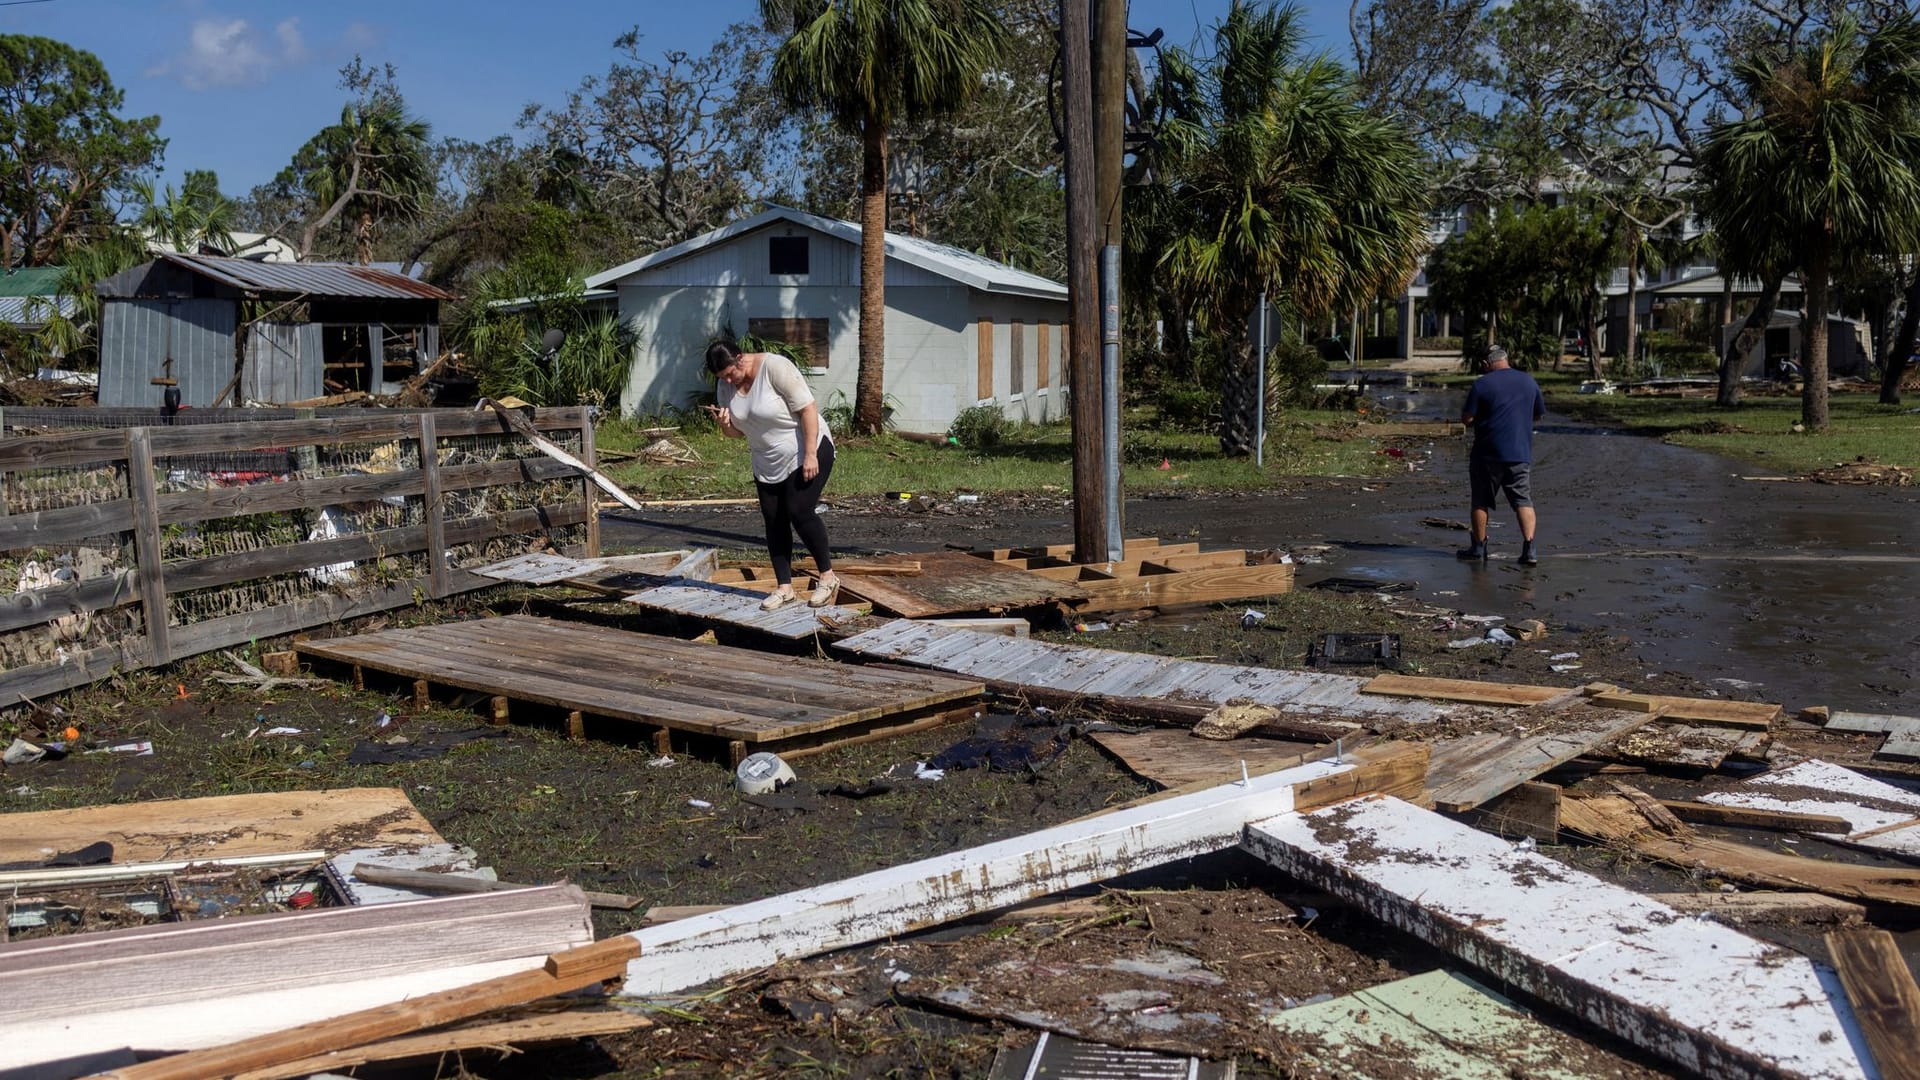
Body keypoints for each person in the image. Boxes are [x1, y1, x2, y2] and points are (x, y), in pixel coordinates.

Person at [703, 339, 841, 609]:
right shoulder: (725, 385)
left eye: (730, 373)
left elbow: (807, 409)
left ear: (740, 358)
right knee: (774, 519)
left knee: (799, 511)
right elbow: (736, 432)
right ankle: (784, 588)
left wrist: (811, 454)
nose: (728, 381)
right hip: (767, 460)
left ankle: (828, 577)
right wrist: (723, 425)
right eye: (722, 377)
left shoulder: (775, 368)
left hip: (805, 448)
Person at [1458, 345, 1545, 565]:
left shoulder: (1482, 384)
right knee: (1522, 499)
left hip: (1487, 454)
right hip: (1519, 453)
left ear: (1487, 364)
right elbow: (1538, 416)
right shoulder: (1529, 382)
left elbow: (1467, 419)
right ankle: (1529, 548)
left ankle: (1479, 547)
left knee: (1480, 500)